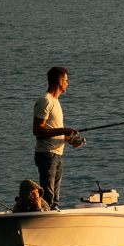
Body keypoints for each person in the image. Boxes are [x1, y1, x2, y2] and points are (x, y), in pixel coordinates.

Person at [32, 65, 82, 210]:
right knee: (48, 198)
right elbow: (37, 130)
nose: (68, 83)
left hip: (57, 154)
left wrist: (71, 140)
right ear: (60, 82)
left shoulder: (56, 102)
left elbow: (53, 131)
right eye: (66, 80)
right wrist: (64, 130)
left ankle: (53, 215)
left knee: (55, 200)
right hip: (47, 154)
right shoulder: (46, 100)